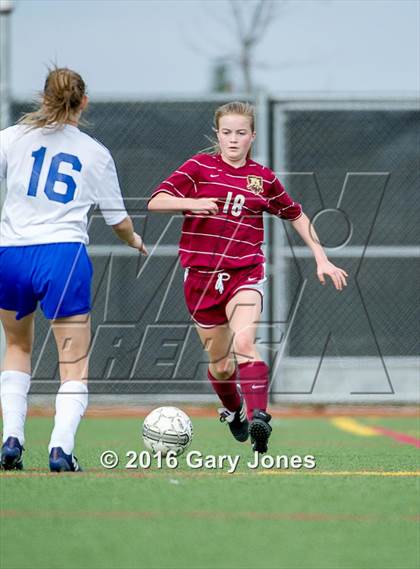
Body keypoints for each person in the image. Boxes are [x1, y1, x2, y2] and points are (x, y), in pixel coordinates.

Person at [148, 101, 347, 453]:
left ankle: (259, 419)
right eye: (227, 132)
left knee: (244, 344)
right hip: (201, 279)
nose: (233, 139)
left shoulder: (263, 179)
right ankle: (235, 409)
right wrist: (192, 203)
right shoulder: (199, 168)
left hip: (245, 273)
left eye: (241, 133)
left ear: (252, 136)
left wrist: (321, 257)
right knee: (222, 366)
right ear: (218, 135)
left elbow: (297, 215)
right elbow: (157, 201)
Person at [0, 67, 147, 472]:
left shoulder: (11, 138)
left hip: (11, 255)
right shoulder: (94, 153)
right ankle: (60, 450)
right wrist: (133, 240)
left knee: (16, 348)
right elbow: (118, 220)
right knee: (73, 361)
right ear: (83, 102)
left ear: (43, 97)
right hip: (62, 257)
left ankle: (11, 440)